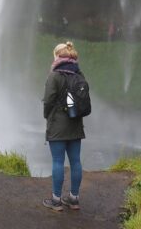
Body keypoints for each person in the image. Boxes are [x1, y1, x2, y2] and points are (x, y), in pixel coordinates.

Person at [42, 42, 85, 212]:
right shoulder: (79, 74)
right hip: (76, 124)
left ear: (57, 56)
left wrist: (47, 116)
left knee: (58, 161)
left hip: (58, 125)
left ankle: (56, 200)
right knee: (75, 161)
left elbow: (48, 101)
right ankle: (74, 199)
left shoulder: (55, 76)